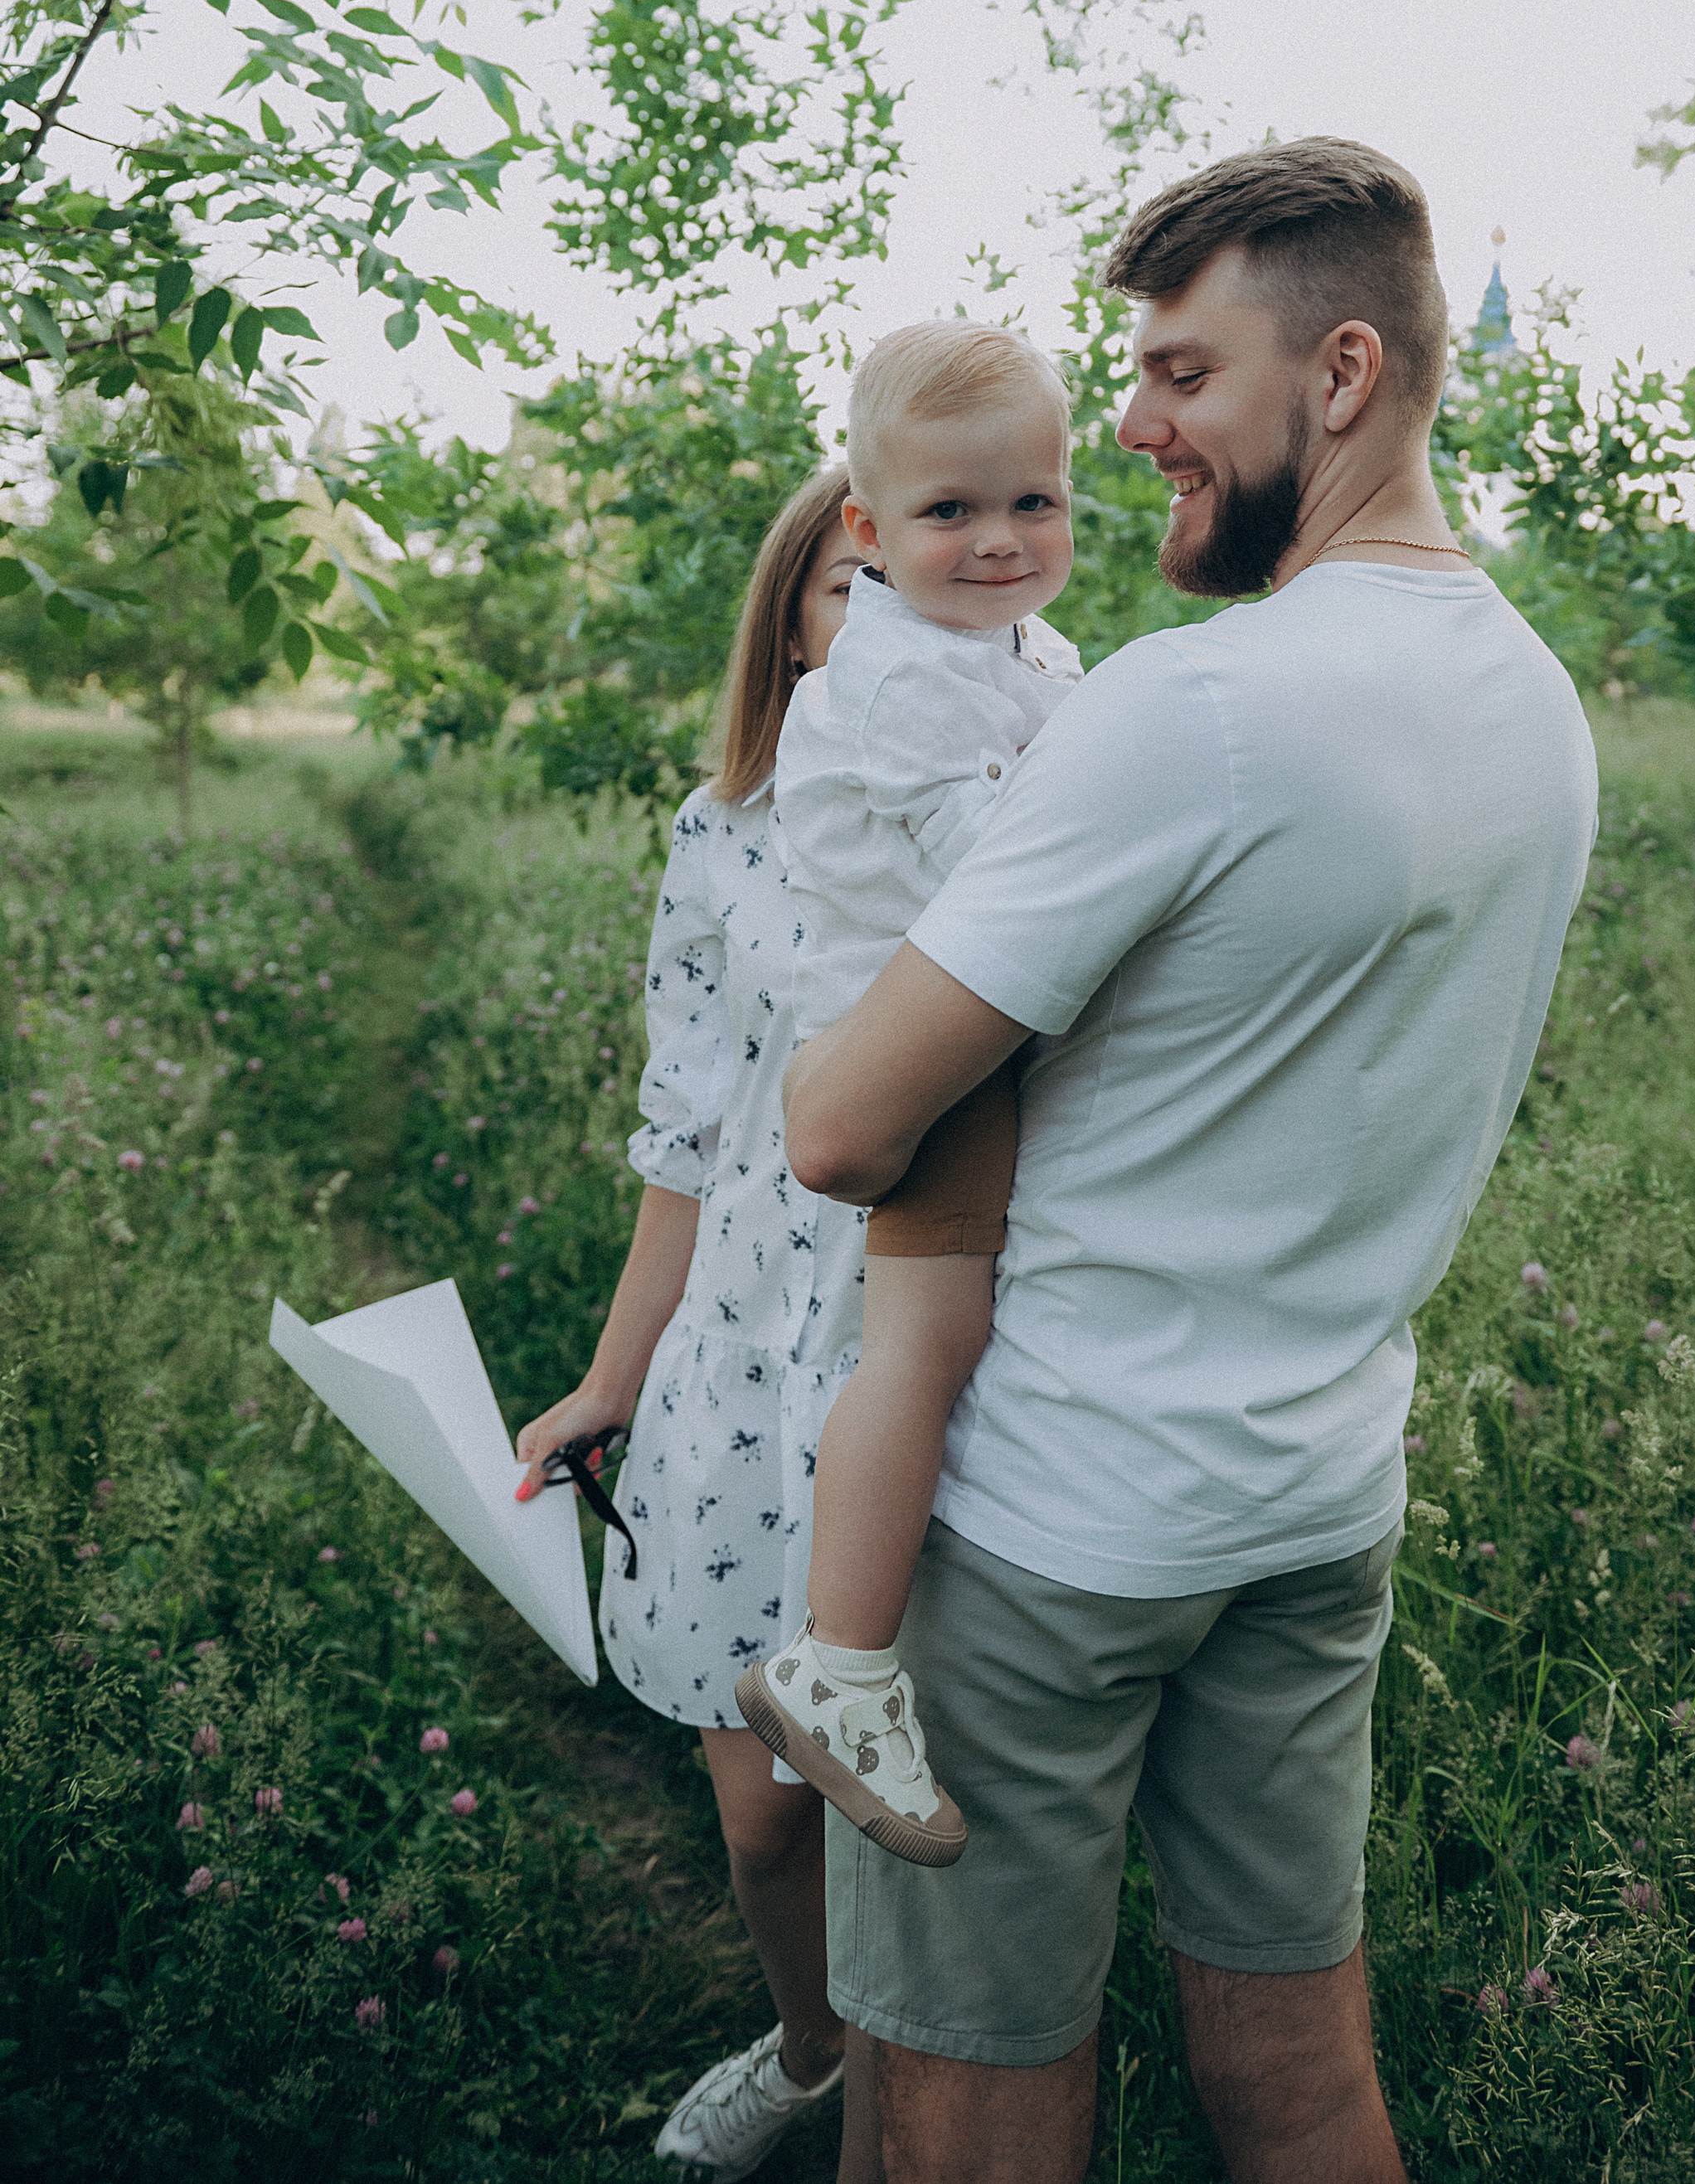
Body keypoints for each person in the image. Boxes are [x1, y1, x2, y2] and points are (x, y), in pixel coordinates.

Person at [782, 138, 1600, 2184]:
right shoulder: (1531, 699)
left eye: (1176, 373)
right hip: (1314, 1500)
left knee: (965, 2097)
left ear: (1336, 372)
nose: (1128, 424)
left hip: (1059, 1521)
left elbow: (836, 1120)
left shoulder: (1191, 710)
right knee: (1298, 2055)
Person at [512, 468, 879, 2184]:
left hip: (939, 1337)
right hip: (746, 1335)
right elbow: (682, 1133)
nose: (876, 615)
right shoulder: (719, 827)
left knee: (919, 1776)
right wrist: (611, 1374)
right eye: (840, 587)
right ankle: (813, 2051)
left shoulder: (1035, 786)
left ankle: (936, 2093)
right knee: (763, 1800)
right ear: (789, 626)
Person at [738, 323, 1081, 1867]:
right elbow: (1005, 874)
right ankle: (842, 1660)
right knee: (920, 1350)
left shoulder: (1007, 653)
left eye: (1036, 503)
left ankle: (870, 1641)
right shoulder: (900, 684)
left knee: (950, 1343)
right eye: (952, 513)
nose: (1002, 541)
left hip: (954, 1023)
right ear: (867, 534)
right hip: (910, 1045)